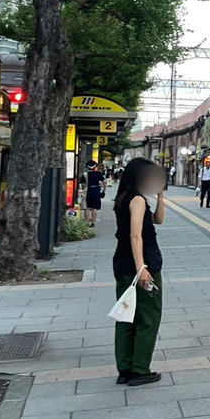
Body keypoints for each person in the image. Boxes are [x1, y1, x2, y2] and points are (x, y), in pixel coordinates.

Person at [111, 158, 166, 386]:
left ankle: (125, 369)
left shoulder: (124, 198)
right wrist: (141, 268)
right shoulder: (137, 201)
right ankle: (140, 369)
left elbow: (158, 221)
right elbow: (136, 235)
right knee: (148, 317)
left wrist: (161, 197)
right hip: (142, 265)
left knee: (126, 315)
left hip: (122, 263)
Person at [83, 161, 106, 226]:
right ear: (95, 166)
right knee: (94, 207)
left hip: (88, 191)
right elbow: (104, 181)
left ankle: (87, 222)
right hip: (96, 191)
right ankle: (93, 222)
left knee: (87, 207)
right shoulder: (98, 174)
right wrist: (104, 190)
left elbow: (83, 184)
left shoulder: (85, 174)